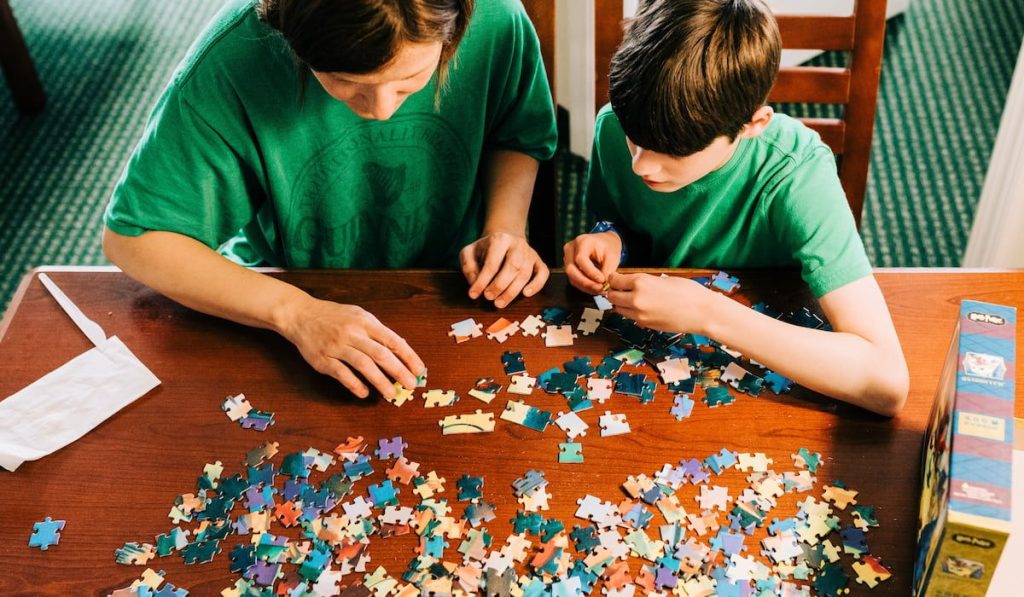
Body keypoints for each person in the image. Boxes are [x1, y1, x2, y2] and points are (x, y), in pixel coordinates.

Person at [102, 0, 557, 399]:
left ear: (455, 28)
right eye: (345, 82)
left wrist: (505, 226)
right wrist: (295, 313)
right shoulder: (230, 61)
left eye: (410, 80)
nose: (381, 110)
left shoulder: (498, 17)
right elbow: (134, 239)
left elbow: (516, 130)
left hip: (454, 282)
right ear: (290, 39)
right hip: (291, 287)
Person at [563, 0, 908, 416]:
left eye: (674, 150)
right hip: (646, 364)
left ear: (752, 126)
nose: (640, 164)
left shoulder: (799, 175)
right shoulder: (614, 123)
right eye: (634, 138)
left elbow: (887, 382)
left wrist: (707, 311)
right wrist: (611, 236)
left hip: (760, 371)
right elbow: (624, 218)